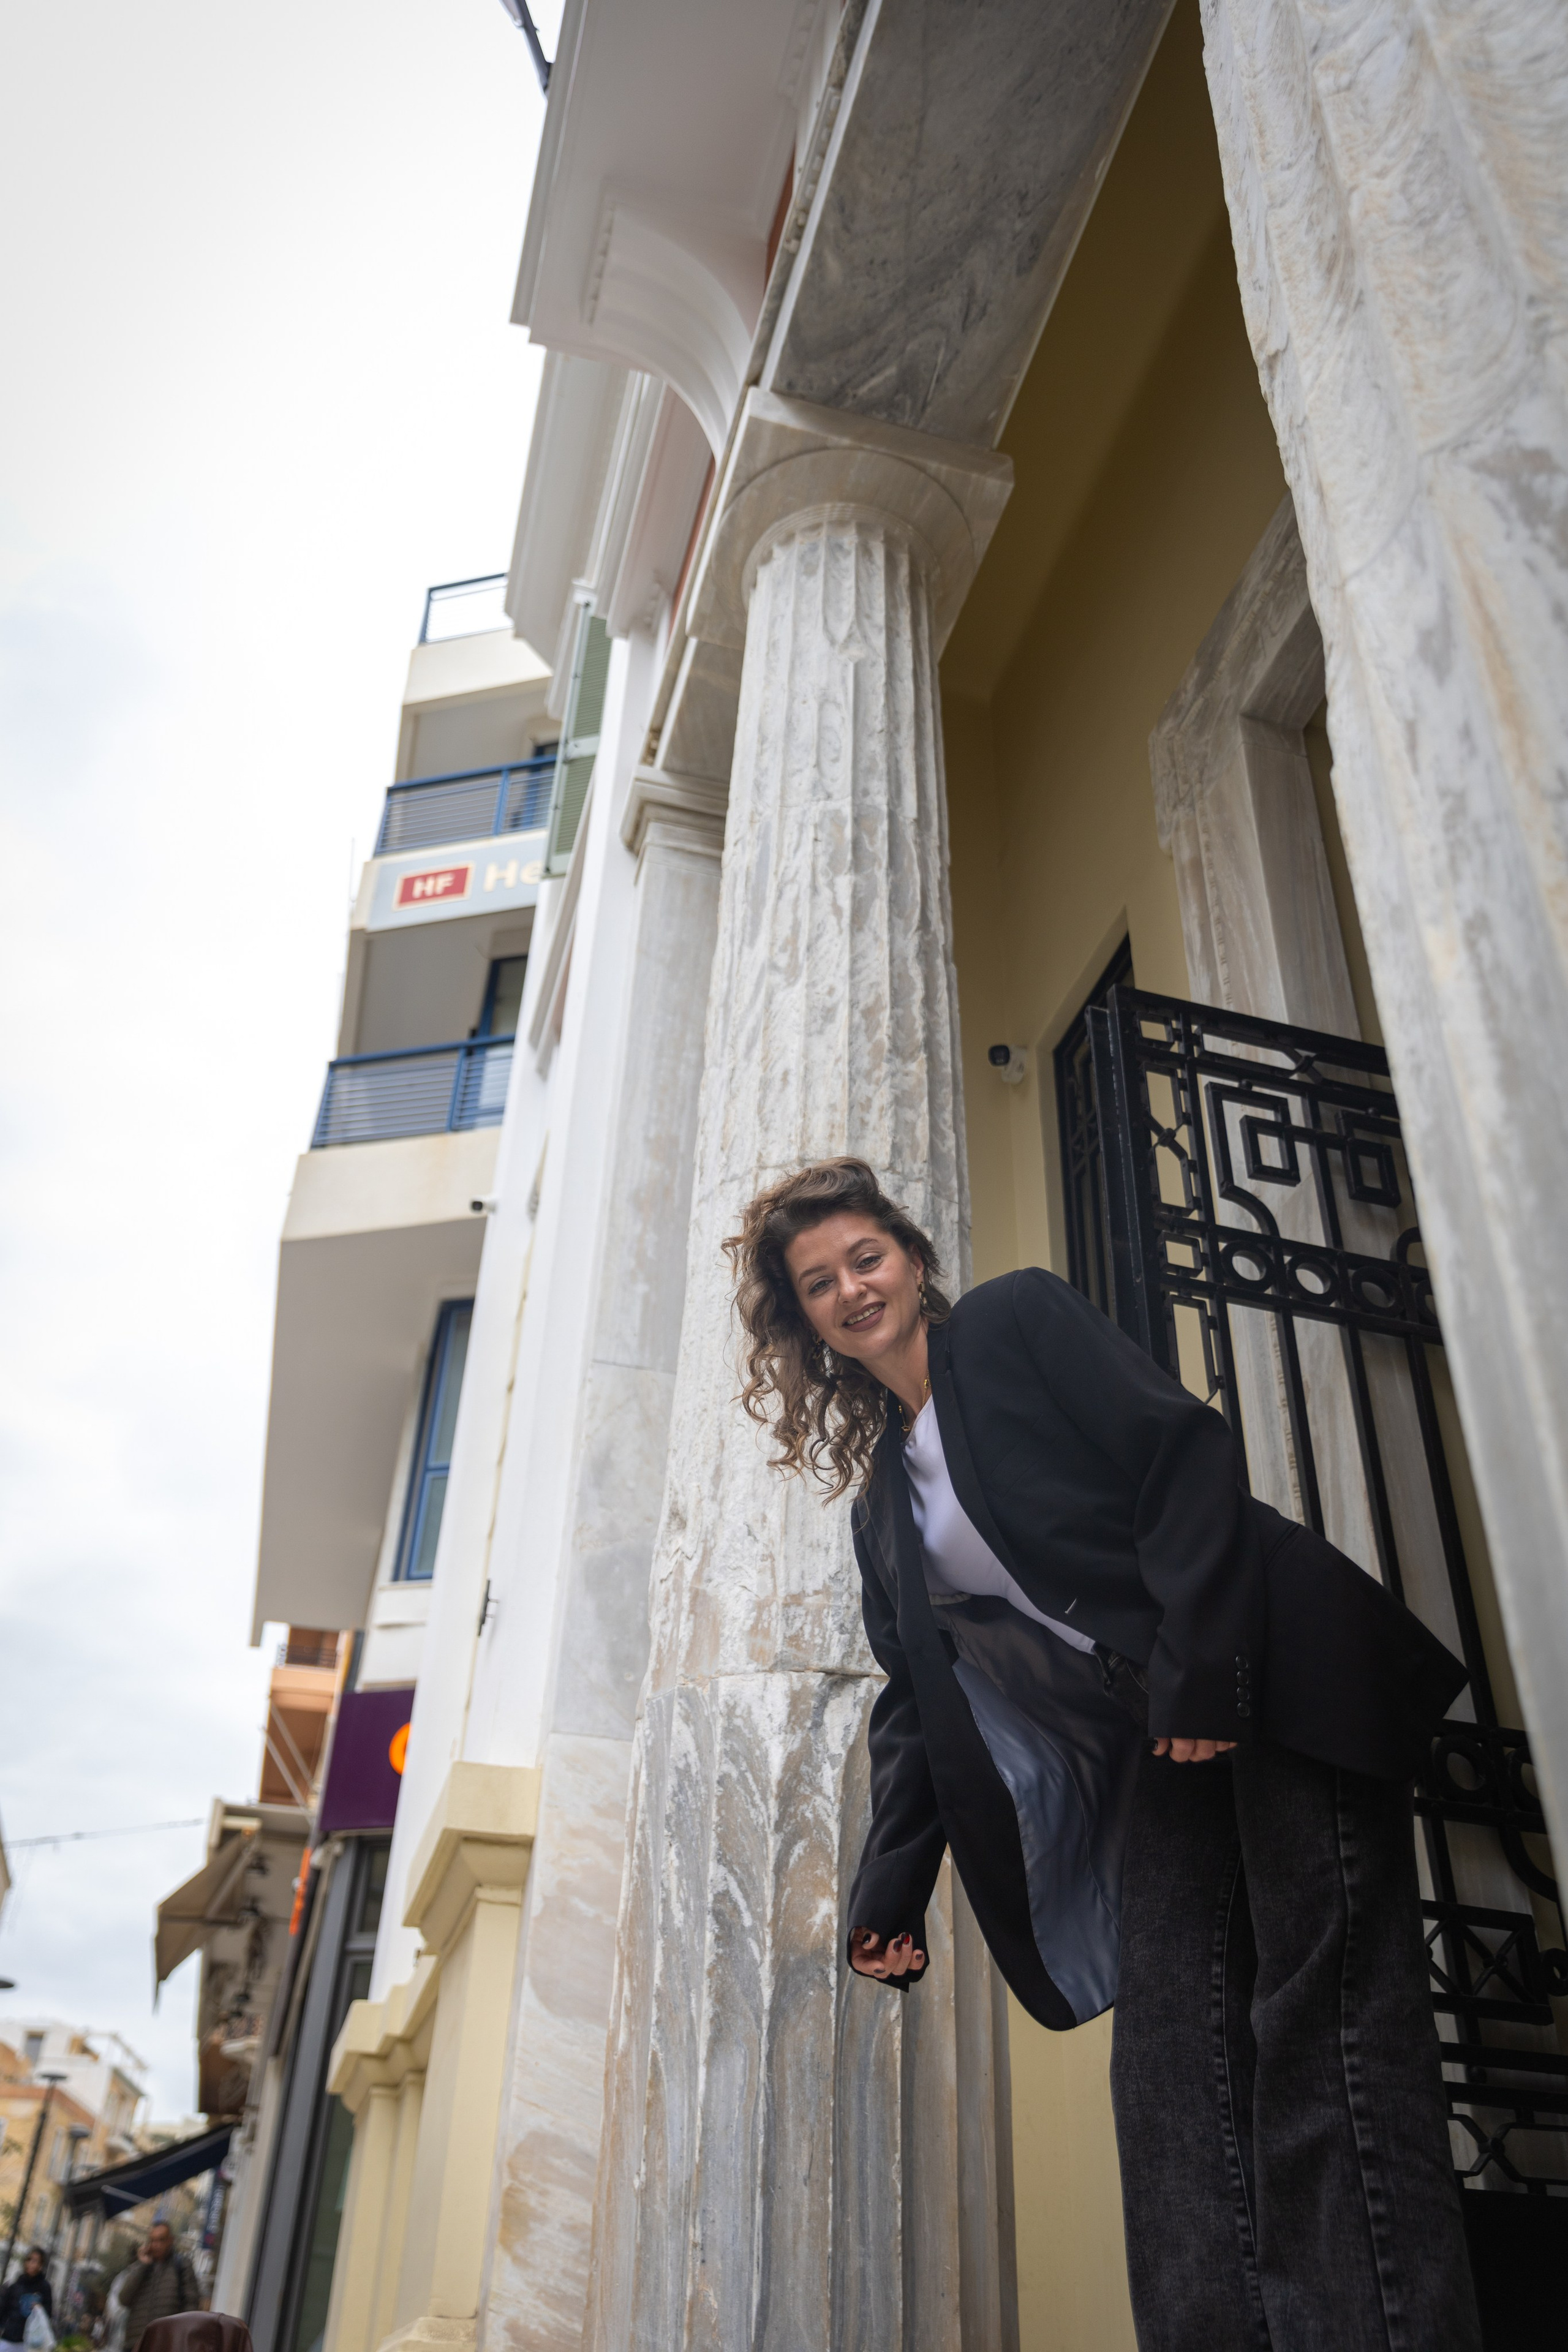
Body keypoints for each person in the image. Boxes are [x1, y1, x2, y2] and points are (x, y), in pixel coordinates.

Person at [727, 1156, 1483, 2351]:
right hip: (1165, 1748)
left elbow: (1179, 1456)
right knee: (1169, 2065)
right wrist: (890, 1886)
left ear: (912, 1260)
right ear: (808, 1323)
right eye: (818, 1284)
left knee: (1320, 2012)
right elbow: (922, 1702)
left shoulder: (1018, 1319)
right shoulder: (884, 1506)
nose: (849, 1289)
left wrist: (1201, 1675)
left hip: (1271, 1668)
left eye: (863, 1258)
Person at [112, 2226, 198, 2352]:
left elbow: (191, 2304)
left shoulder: (181, 2265)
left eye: (161, 2240)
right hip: (136, 2343)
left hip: (167, 2344)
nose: (156, 2245)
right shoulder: (141, 2266)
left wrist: (183, 2338)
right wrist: (142, 2265)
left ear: (171, 2241)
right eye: (152, 2241)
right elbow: (124, 2299)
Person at [0, 2251, 53, 2346]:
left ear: (41, 2265)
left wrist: (40, 2308)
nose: (32, 2263)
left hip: (30, 2342)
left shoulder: (44, 2287)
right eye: (29, 2260)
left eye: (36, 2261)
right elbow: (4, 2309)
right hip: (9, 2337)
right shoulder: (16, 2286)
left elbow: (48, 2312)